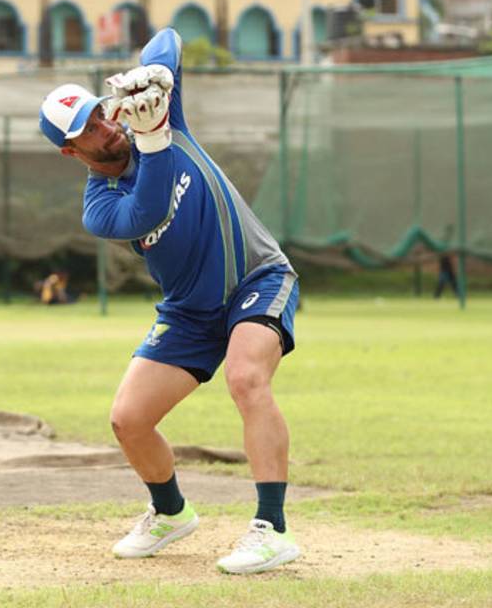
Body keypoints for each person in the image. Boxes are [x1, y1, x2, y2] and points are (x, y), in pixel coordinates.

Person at [37, 28, 301, 575]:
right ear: (71, 151)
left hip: (258, 275)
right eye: (86, 130)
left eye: (100, 113)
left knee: (247, 379)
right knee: (128, 419)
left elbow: (168, 40)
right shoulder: (102, 205)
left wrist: (149, 73)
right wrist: (154, 135)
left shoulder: (158, 111)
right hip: (190, 310)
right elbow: (149, 211)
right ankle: (170, 512)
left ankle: (271, 528)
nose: (105, 127)